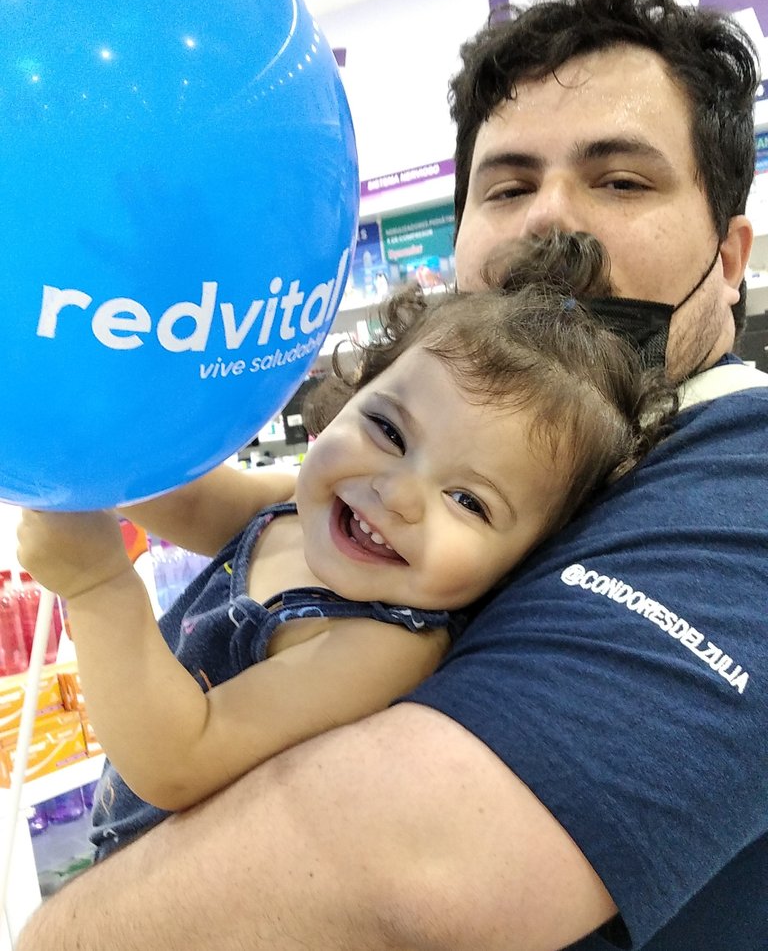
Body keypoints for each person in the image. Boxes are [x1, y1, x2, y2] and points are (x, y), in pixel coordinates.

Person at [16, 0, 768, 951]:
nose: (550, 219)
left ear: (729, 253)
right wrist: (88, 389)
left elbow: (410, 872)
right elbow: (199, 494)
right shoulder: (361, 486)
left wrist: (96, 584)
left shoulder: (735, 471)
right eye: (505, 184)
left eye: (621, 178)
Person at [18, 240, 671, 862]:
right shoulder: (305, 505)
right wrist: (88, 451)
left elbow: (181, 759)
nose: (398, 494)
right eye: (387, 429)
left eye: (469, 501)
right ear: (346, 399)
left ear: (522, 562)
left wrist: (98, 586)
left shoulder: (384, 644)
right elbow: (186, 500)